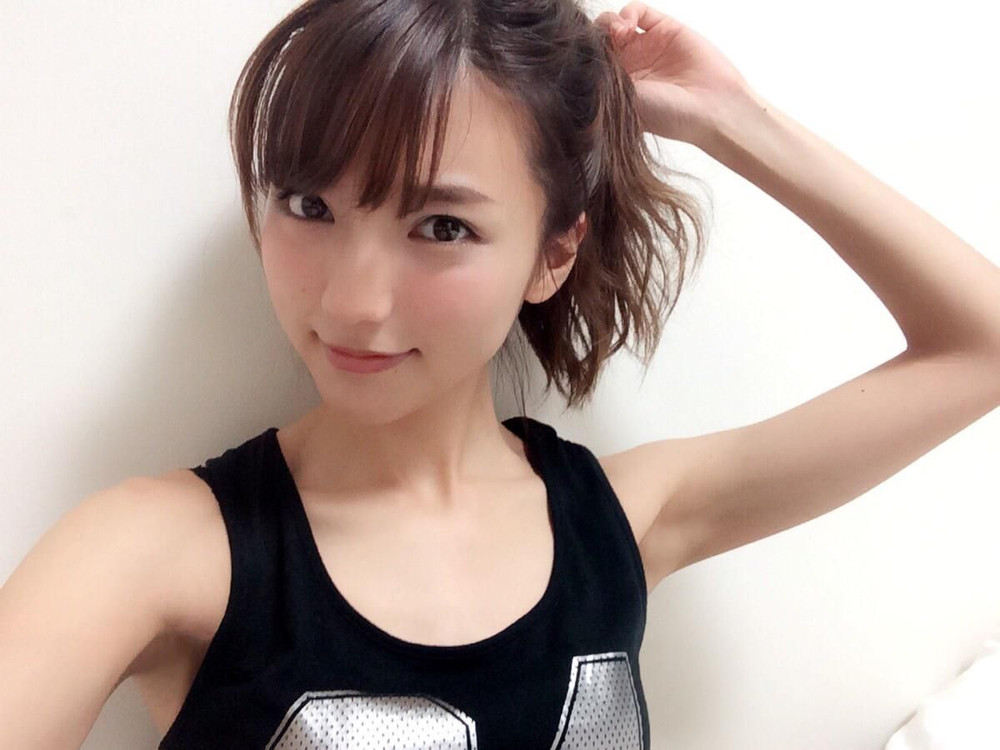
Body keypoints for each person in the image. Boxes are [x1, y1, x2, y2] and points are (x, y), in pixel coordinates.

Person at [2, 0, 999, 748]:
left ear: (552, 255)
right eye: (309, 206)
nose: (352, 302)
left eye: (441, 226)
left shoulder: (619, 523)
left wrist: (731, 118)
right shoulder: (152, 554)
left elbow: (981, 347)